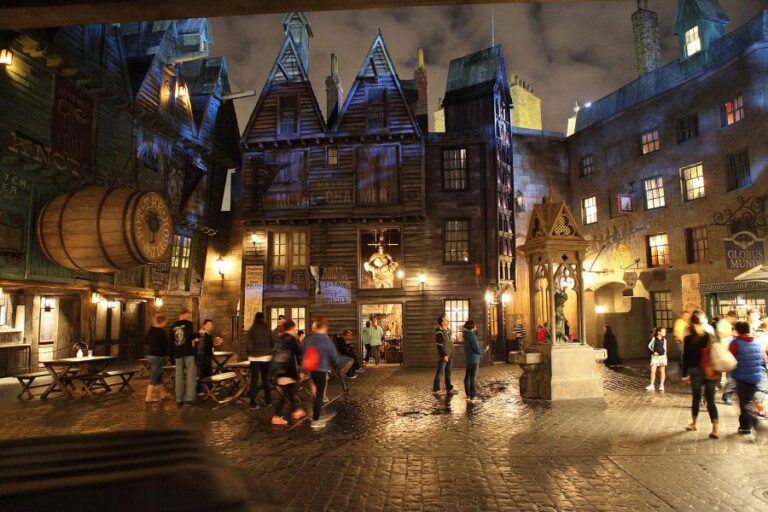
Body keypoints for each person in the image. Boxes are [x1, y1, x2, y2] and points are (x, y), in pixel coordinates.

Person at [301, 315, 348, 428]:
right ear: (323, 327)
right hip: (321, 370)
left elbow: (303, 353)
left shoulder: (309, 338)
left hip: (311, 369)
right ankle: (316, 420)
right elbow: (334, 357)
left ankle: (316, 414)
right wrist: (339, 364)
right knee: (320, 395)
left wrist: (302, 370)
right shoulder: (325, 339)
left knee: (316, 393)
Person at [681, 311, 719, 439]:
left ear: (691, 323)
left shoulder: (688, 339)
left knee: (696, 398)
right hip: (710, 371)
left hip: (695, 370)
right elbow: (716, 352)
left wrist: (684, 374)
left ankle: (694, 423)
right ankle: (715, 429)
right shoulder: (709, 336)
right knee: (711, 400)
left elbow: (686, 357)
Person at [728, 321, 766, 436]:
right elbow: (762, 358)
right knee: (747, 400)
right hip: (756, 376)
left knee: (745, 403)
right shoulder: (757, 341)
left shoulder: (735, 343)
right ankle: (745, 427)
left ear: (737, 330)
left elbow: (729, 359)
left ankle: (757, 424)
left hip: (742, 377)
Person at [270, 320, 306, 425]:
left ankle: (295, 411)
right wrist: (300, 341)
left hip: (279, 371)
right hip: (287, 371)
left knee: (290, 392)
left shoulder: (280, 338)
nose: (295, 330)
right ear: (291, 328)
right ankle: (276, 416)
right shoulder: (291, 340)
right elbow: (299, 354)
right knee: (286, 394)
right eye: (294, 329)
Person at [170, 310, 199, 405]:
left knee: (178, 376)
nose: (188, 317)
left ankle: (179, 399)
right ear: (184, 314)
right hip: (188, 352)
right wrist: (199, 334)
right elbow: (190, 336)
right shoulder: (189, 324)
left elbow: (171, 341)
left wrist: (171, 356)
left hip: (177, 353)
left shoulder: (173, 326)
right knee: (191, 374)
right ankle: (190, 397)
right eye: (188, 315)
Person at [247, 312, 273, 410]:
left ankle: (252, 402)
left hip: (254, 357)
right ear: (263, 318)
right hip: (266, 357)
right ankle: (268, 401)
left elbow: (248, 344)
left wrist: (250, 352)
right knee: (265, 378)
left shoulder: (252, 329)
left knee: (254, 380)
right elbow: (272, 343)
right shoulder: (267, 329)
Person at [144, 314, 169, 403]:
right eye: (165, 321)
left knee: (158, 375)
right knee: (154, 376)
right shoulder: (161, 332)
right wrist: (168, 355)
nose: (166, 323)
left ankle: (162, 395)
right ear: (161, 321)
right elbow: (166, 345)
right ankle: (148, 397)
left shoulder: (150, 330)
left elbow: (145, 341)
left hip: (150, 355)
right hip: (158, 356)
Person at [463, 320, 488, 402]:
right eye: (475, 325)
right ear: (472, 326)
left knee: (467, 377)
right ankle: (473, 396)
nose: (476, 326)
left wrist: (474, 331)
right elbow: (477, 349)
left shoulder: (466, 334)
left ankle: (468, 395)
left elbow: (475, 334)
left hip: (469, 358)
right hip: (474, 359)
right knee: (473, 378)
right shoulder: (471, 335)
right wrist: (485, 350)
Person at [194, 319, 221, 392]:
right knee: (202, 374)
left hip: (206, 357)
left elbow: (209, 345)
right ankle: (201, 390)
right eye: (208, 324)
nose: (210, 326)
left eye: (211, 324)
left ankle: (207, 390)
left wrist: (214, 343)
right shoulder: (202, 334)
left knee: (206, 374)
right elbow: (201, 346)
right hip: (202, 357)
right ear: (204, 326)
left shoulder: (208, 335)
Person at [717, 311, 737, 404]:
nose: (733, 320)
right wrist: (732, 333)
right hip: (723, 349)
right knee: (725, 370)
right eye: (733, 318)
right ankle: (719, 386)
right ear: (729, 316)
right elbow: (720, 334)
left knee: (728, 371)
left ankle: (723, 388)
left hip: (728, 350)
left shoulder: (728, 324)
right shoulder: (721, 323)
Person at [432, 316, 455, 395]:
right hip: (444, 356)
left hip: (450, 355)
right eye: (445, 320)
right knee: (440, 372)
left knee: (448, 372)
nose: (448, 320)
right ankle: (436, 389)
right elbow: (439, 345)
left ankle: (449, 388)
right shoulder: (439, 332)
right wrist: (444, 355)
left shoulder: (448, 331)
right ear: (442, 323)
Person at [645, 327, 668, 391]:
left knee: (662, 371)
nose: (665, 333)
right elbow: (649, 346)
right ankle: (652, 385)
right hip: (655, 357)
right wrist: (653, 352)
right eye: (663, 331)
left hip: (662, 357)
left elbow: (665, 349)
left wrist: (665, 357)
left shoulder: (664, 340)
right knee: (653, 370)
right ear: (659, 332)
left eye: (665, 331)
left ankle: (661, 385)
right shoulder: (654, 339)